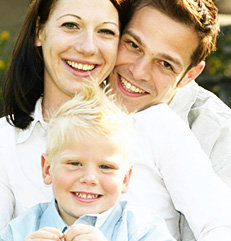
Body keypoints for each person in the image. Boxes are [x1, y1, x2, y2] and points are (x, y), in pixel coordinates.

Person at [0, 0, 129, 230]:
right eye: (70, 25)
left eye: (105, 31)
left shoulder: (149, 130)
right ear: (39, 32)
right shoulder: (5, 142)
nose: (88, 47)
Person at [107, 0, 231, 240]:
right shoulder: (73, 95)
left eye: (165, 64)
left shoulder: (221, 139)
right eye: (133, 45)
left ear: (190, 75)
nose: (139, 71)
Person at [0, 81, 176, 241]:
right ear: (47, 169)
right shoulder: (22, 229)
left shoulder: (142, 229)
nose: (89, 178)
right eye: (75, 163)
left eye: (106, 167)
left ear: (125, 179)